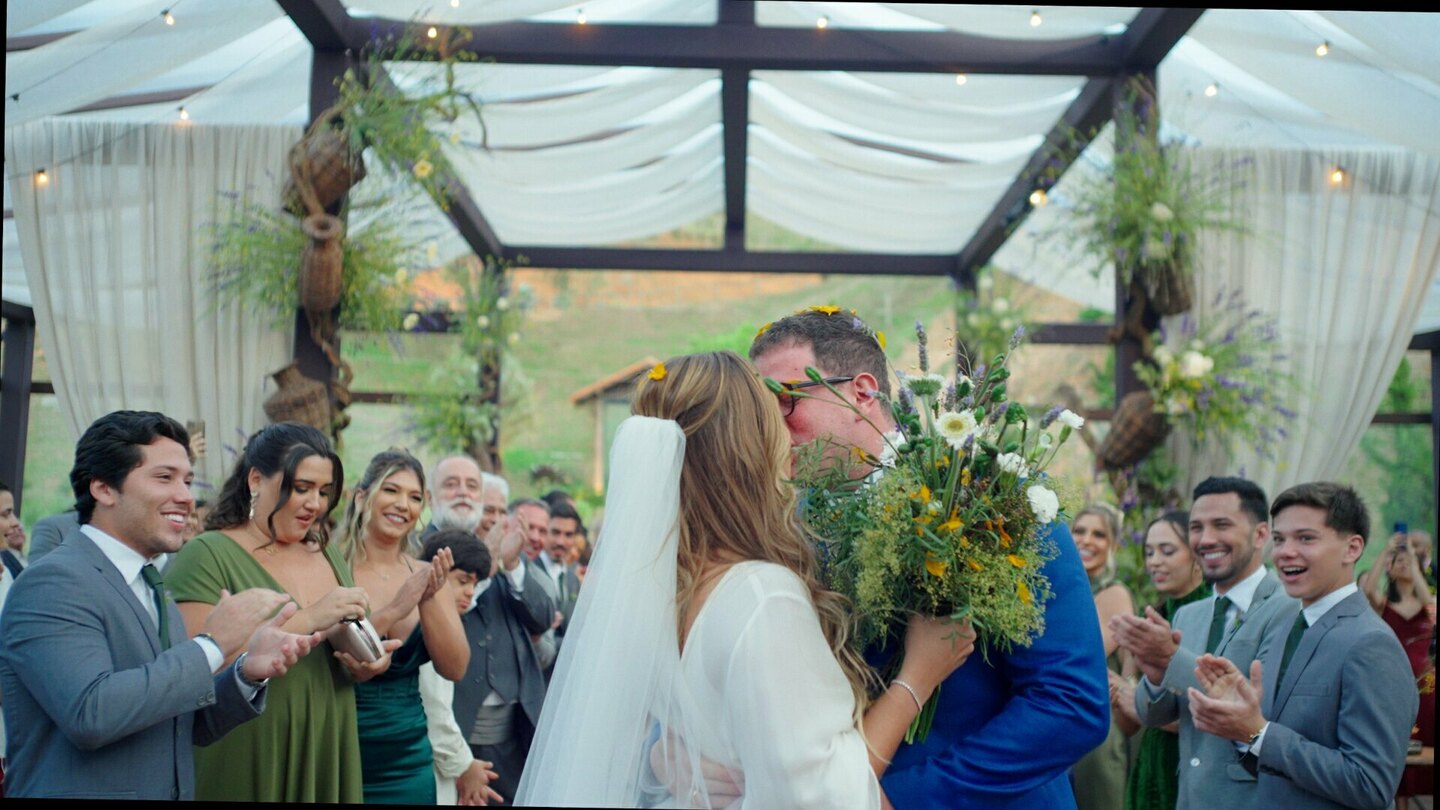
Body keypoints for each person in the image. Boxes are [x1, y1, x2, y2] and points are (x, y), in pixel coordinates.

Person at [519, 351, 977, 807]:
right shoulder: (763, 597)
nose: (786, 430)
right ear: (746, 448)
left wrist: (665, 755)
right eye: (770, 414)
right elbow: (826, 796)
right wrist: (917, 679)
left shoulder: (659, 587)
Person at [748, 310, 1109, 807]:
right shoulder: (782, 524)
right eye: (758, 413)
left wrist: (906, 798)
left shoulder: (995, 497)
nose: (771, 428)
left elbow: (1071, 704)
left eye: (785, 402)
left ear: (862, 391)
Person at [0, 410, 323, 800]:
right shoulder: (53, 582)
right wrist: (211, 645)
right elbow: (91, 713)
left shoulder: (154, 583)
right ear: (104, 488)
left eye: (187, 480)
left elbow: (175, 721)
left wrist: (246, 673)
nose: (186, 497)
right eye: (164, 477)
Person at [164, 422, 399, 803]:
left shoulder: (326, 552)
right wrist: (313, 617)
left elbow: (343, 649)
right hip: (248, 746)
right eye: (301, 488)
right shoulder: (207, 553)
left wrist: (367, 663)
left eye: (324, 492)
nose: (316, 504)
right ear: (256, 479)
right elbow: (192, 671)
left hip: (325, 738)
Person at [1187, 482, 1416, 810]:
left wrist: (1259, 733)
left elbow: (1371, 785)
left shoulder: (1371, 643)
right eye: (1279, 539)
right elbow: (1272, 763)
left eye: (1305, 538)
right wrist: (1241, 727)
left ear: (1352, 549)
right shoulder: (1287, 627)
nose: (1284, 552)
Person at [1114, 476, 1296, 810]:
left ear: (1260, 535)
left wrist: (1170, 658)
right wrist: (1154, 673)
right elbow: (1151, 715)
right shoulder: (1188, 614)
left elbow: (1261, 709)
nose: (1206, 539)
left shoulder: (1288, 607)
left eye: (1221, 525)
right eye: (1196, 527)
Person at [335, 450, 470, 804]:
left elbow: (455, 667)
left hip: (408, 757)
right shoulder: (330, 565)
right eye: (391, 490)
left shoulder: (426, 574)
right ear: (362, 496)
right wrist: (396, 607)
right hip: (338, 742)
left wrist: (427, 600)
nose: (402, 505)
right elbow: (327, 654)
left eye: (414, 497)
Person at [450, 502, 554, 804]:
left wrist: (511, 566)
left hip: (514, 732)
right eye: (489, 511)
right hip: (463, 730)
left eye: (539, 530)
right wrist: (486, 567)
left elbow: (543, 618)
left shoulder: (524, 569)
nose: (533, 536)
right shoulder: (449, 557)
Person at [1109, 510, 1210, 810]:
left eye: (1167, 551)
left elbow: (1217, 719)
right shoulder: (1149, 620)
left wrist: (1138, 703)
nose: (1154, 561)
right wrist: (1116, 692)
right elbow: (1128, 727)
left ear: (1197, 555)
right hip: (1149, 770)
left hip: (1190, 771)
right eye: (1149, 552)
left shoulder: (1215, 616)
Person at [417, 530, 504, 806]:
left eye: (474, 584)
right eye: (462, 581)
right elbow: (435, 711)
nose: (470, 592)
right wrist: (466, 767)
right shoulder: (430, 627)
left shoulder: (449, 624)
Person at [1358, 529, 1435, 808]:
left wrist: (1413, 560)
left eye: (1408, 561)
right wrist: (1386, 551)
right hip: (1392, 683)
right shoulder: (1384, 604)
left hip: (1426, 684)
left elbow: (1428, 602)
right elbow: (1367, 589)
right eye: (1398, 561)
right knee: (1396, 741)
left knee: (1426, 741)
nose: (1403, 564)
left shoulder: (1428, 602)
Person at [1069, 502, 1136, 810]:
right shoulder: (1062, 591)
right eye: (1079, 531)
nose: (1086, 540)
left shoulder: (1114, 593)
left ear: (1112, 545)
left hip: (1098, 731)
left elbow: (1080, 658)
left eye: (1098, 534)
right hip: (1060, 724)